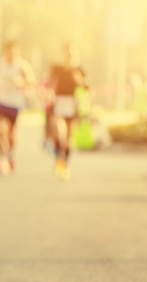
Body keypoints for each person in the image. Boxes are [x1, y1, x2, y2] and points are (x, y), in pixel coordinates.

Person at [0, 40, 35, 175]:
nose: (11, 54)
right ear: (5, 51)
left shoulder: (22, 65)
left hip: (15, 104)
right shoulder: (0, 63)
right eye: (9, 51)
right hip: (2, 102)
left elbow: (31, 81)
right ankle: (2, 159)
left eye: (14, 51)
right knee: (1, 129)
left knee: (11, 134)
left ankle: (11, 155)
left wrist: (21, 81)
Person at [49, 43, 86, 180]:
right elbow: (49, 85)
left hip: (73, 107)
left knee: (68, 140)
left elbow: (88, 90)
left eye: (72, 54)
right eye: (67, 54)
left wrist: (80, 82)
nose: (69, 56)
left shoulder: (80, 71)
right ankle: (59, 157)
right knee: (60, 133)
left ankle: (64, 164)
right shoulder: (57, 70)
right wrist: (49, 93)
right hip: (59, 104)